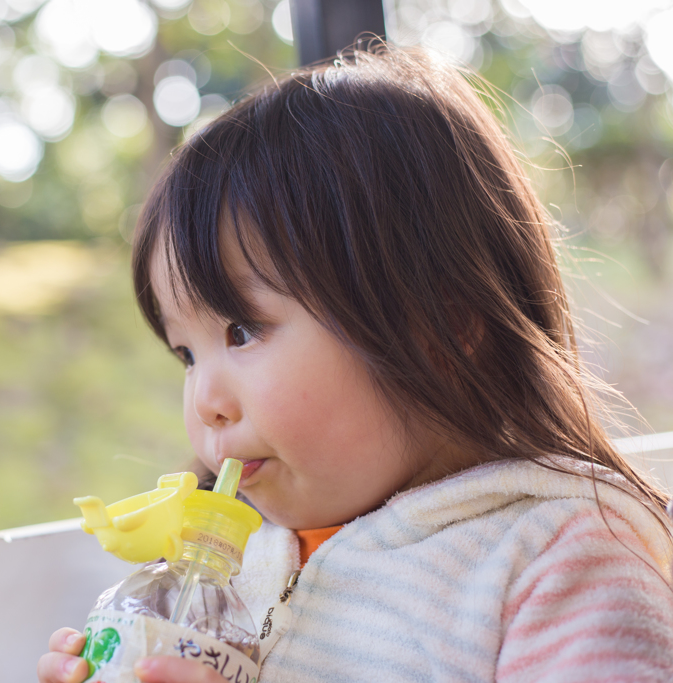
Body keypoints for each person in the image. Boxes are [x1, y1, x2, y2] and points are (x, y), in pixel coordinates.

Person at [37, 43, 673, 683]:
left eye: (242, 330)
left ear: (439, 331)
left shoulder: (559, 563)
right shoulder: (240, 573)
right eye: (185, 355)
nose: (205, 401)